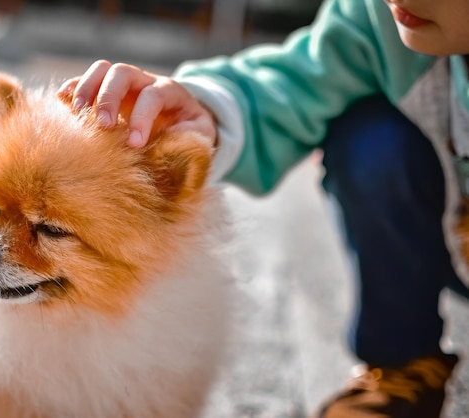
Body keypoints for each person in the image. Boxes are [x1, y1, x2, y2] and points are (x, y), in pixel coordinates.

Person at [57, 0, 469, 416]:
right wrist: (206, 112)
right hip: (451, 232)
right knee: (370, 139)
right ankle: (404, 366)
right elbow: (298, 80)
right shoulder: (381, 16)